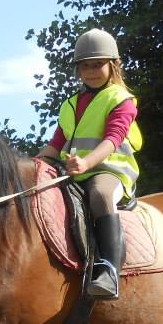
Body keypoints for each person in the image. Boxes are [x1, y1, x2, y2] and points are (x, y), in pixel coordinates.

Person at [37, 28, 142, 299]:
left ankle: (109, 271)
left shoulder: (122, 100)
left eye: (98, 65)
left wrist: (86, 163)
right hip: (74, 172)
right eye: (85, 66)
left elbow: (113, 139)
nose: (91, 71)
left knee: (100, 193)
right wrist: (31, 166)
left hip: (110, 171)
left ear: (113, 65)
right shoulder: (70, 105)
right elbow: (56, 144)